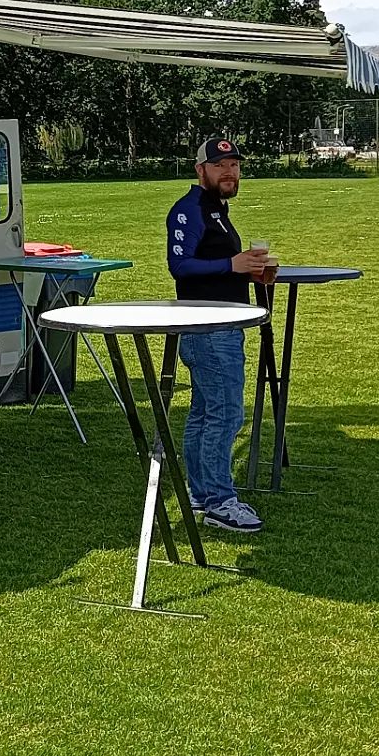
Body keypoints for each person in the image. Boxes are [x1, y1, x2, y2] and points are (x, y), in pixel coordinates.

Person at [166, 138, 270, 534]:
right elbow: (180, 266)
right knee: (226, 414)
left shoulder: (216, 210)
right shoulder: (189, 210)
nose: (229, 172)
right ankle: (219, 501)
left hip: (220, 324)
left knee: (205, 412)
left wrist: (246, 270)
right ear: (201, 170)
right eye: (220, 165)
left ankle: (200, 492)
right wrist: (233, 262)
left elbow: (214, 265)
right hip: (209, 328)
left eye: (235, 165)